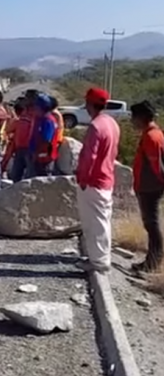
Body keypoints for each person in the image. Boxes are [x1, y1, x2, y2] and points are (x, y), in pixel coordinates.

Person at [75, 87, 120, 273]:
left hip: (94, 181)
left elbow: (89, 157)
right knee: (101, 221)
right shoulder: (111, 123)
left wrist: (83, 178)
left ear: (89, 104)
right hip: (106, 178)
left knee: (94, 223)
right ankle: (98, 257)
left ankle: (99, 262)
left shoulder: (95, 126)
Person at [130, 100, 164, 274]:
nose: (132, 121)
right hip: (148, 186)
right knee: (151, 224)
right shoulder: (153, 133)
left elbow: (157, 166)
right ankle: (152, 260)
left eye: (133, 117)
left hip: (150, 188)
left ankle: (153, 262)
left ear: (141, 117)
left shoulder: (151, 137)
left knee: (152, 224)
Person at [2, 99, 33, 182]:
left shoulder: (18, 121)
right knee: (28, 173)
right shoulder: (31, 120)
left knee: (18, 174)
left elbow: (7, 130)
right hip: (27, 149)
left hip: (22, 149)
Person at [31, 94, 58, 177]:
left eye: (36, 107)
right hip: (38, 157)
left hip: (45, 158)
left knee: (44, 180)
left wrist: (36, 154)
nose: (34, 109)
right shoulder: (39, 119)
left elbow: (46, 141)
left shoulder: (48, 121)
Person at [50, 96, 65, 175]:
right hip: (57, 138)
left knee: (51, 157)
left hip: (55, 138)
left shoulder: (54, 114)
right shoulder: (56, 113)